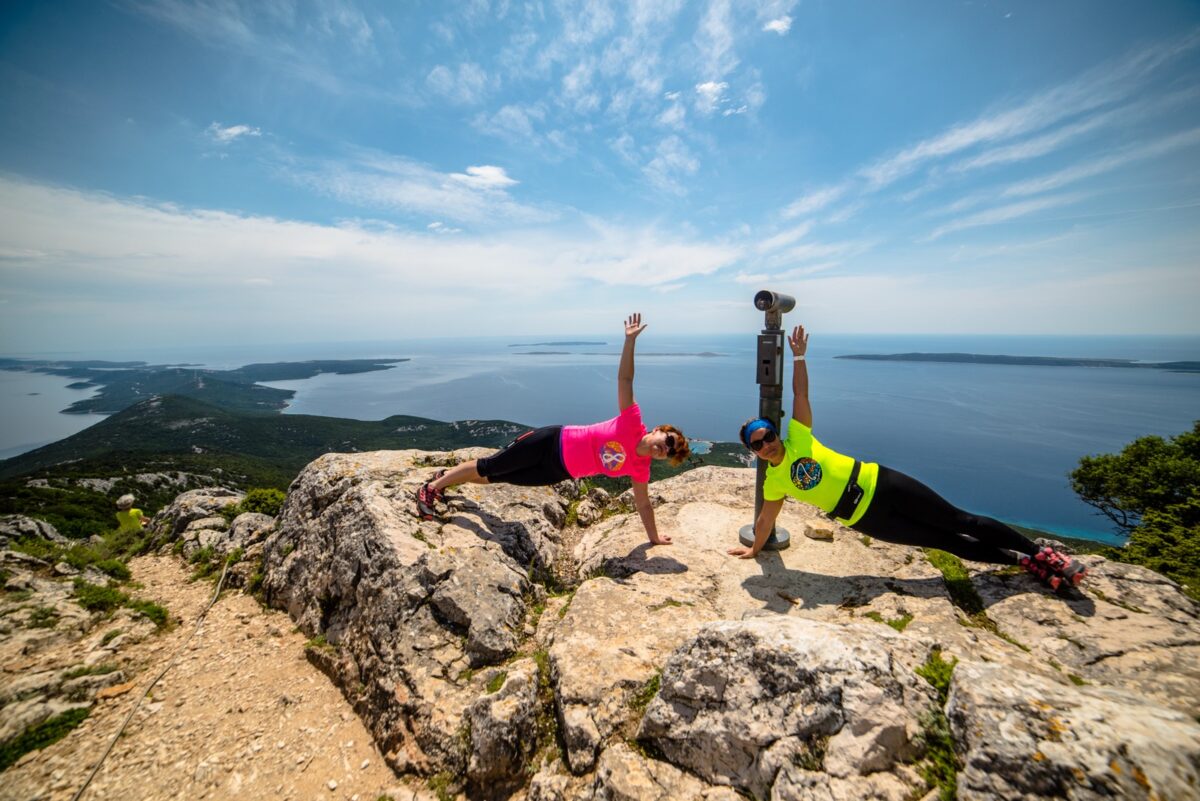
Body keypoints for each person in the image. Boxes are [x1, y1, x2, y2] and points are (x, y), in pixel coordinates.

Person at [728, 323, 1087, 591]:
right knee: (946, 542)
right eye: (757, 445)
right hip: (863, 518)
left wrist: (799, 356)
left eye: (768, 436)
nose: (767, 445)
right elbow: (765, 519)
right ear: (752, 452)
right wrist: (755, 551)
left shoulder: (800, 438)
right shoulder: (774, 481)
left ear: (776, 432)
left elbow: (800, 393)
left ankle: (1040, 554)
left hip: (880, 483)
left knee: (960, 520)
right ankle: (1023, 563)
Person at [416, 313, 691, 546]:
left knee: (499, 477)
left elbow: (643, 505)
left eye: (670, 451)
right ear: (657, 430)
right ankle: (432, 486)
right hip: (552, 442)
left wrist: (653, 538)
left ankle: (448, 478)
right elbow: (625, 378)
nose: (665, 448)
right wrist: (630, 341)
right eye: (668, 439)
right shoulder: (632, 421)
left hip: (557, 472)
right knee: (491, 466)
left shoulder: (640, 468)